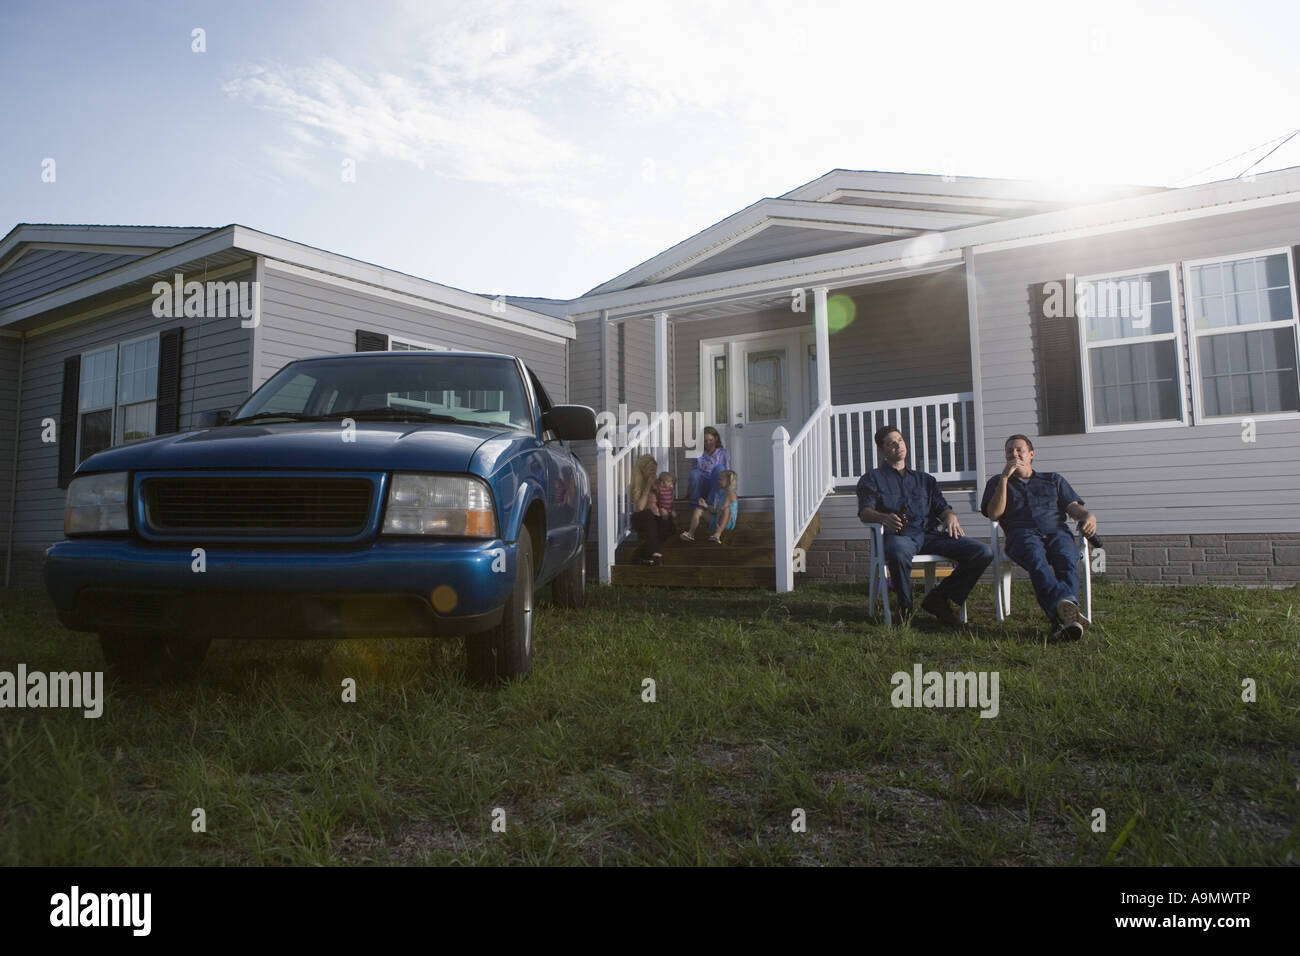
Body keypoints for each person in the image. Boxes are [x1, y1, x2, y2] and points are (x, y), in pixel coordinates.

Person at [857, 426, 992, 626]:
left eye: (900, 440)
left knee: (983, 551)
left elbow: (942, 507)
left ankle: (939, 598)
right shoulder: (872, 479)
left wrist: (950, 516)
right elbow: (865, 512)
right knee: (898, 550)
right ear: (881, 450)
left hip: (930, 535)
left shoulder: (925, 480)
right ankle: (905, 606)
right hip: (900, 536)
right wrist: (884, 518)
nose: (898, 445)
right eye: (890, 443)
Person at [980, 434, 1097, 641]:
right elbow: (994, 514)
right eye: (1009, 451)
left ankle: (1063, 621)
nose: (1014, 454)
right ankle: (1068, 612)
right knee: (1036, 559)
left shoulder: (1053, 479)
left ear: (1031, 454)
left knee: (1067, 557)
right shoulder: (997, 482)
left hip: (1056, 531)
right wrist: (1005, 479)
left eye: (1019, 450)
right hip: (1022, 535)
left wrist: (1088, 516)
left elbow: (1073, 507)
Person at [681, 426, 730, 541]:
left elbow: (727, 473)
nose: (708, 443)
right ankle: (697, 505)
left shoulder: (723, 453)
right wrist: (689, 491)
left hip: (715, 486)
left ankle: (711, 505)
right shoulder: (698, 453)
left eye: (711, 440)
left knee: (719, 469)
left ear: (716, 439)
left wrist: (729, 492)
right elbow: (694, 474)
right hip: (702, 486)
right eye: (705, 441)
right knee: (695, 473)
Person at [629, 454, 666, 565]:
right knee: (649, 514)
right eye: (650, 470)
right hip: (641, 518)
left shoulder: (657, 483)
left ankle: (638, 556)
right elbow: (640, 508)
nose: (653, 473)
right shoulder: (638, 485)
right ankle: (656, 554)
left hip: (654, 519)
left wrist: (659, 489)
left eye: (654, 470)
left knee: (669, 526)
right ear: (643, 470)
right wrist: (648, 487)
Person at [705, 470, 738, 544]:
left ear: (728, 482)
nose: (718, 481)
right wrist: (705, 505)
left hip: (728, 522)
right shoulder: (723, 495)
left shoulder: (730, 494)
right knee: (703, 512)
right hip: (720, 519)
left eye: (720, 479)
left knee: (726, 509)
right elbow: (717, 510)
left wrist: (717, 520)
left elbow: (722, 509)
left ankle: (717, 534)